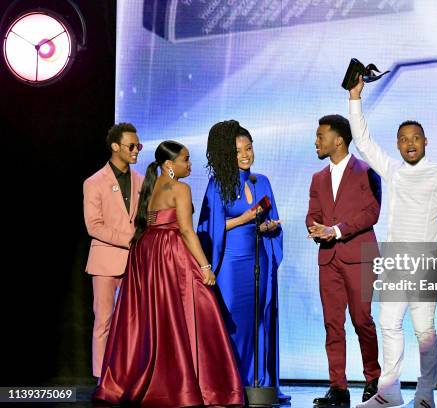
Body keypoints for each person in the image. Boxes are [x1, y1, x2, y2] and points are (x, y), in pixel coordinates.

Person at [93, 141, 243, 407]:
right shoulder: (180, 189)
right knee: (198, 308)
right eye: (185, 160)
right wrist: (205, 267)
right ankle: (203, 386)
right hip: (170, 253)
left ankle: (162, 379)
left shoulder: (150, 187)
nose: (190, 165)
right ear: (168, 165)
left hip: (147, 252)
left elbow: (148, 222)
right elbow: (186, 230)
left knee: (155, 318)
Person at [348, 77, 437, 408]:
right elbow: (364, 142)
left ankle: (425, 394)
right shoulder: (394, 172)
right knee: (388, 325)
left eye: (415, 138)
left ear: (426, 142)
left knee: (425, 332)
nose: (409, 143)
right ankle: (389, 391)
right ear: (398, 145)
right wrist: (355, 98)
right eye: (403, 140)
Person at [197, 120, 290, 403]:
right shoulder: (219, 184)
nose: (246, 154)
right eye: (239, 151)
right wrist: (245, 218)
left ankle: (257, 383)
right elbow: (209, 227)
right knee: (234, 322)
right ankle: (231, 384)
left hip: (258, 260)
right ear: (228, 154)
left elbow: (261, 220)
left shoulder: (261, 181)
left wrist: (267, 226)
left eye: (249, 148)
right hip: (231, 264)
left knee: (260, 320)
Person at [307, 114, 382, 407]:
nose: (316, 141)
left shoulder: (365, 171)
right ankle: (338, 387)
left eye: (320, 136)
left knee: (362, 319)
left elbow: (371, 212)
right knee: (332, 324)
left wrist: (335, 230)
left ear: (338, 140)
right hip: (329, 259)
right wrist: (314, 227)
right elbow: (312, 212)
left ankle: (373, 379)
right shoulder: (317, 178)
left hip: (359, 257)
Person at [83, 122, 143, 380]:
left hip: (135, 262)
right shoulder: (94, 182)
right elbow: (93, 225)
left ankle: (131, 374)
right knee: (104, 322)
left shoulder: (141, 180)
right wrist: (129, 239)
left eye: (138, 146)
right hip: (105, 261)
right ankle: (101, 377)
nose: (136, 150)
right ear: (115, 146)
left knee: (135, 323)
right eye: (132, 146)